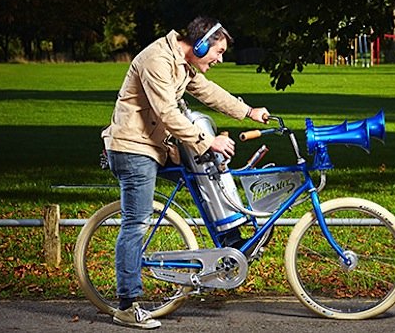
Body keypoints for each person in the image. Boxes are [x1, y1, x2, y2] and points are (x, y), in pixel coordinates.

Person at [101, 17, 270, 329]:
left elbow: (209, 93)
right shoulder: (158, 60)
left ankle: (232, 241)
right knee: (136, 223)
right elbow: (167, 112)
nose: (219, 59)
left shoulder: (183, 64)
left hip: (155, 146)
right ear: (201, 44)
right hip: (132, 148)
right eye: (217, 52)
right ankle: (127, 305)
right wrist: (209, 141)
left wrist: (248, 112)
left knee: (210, 171)